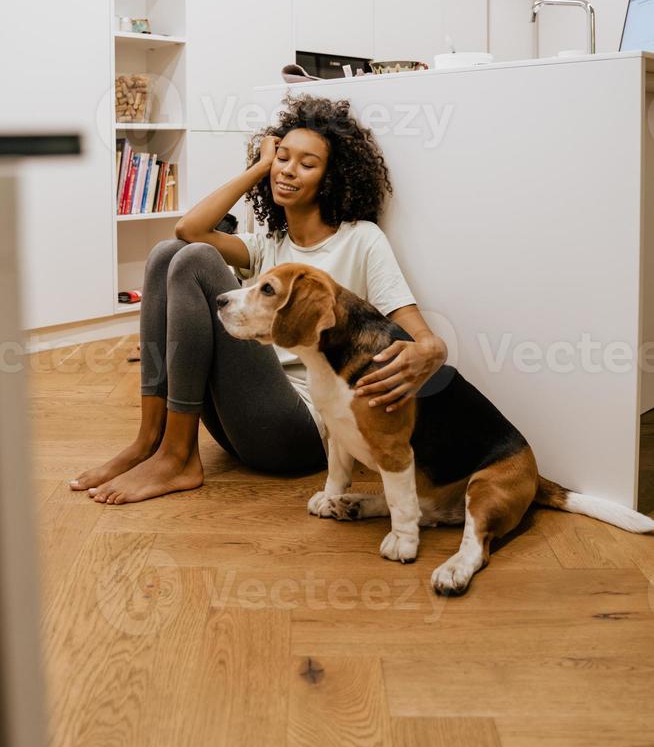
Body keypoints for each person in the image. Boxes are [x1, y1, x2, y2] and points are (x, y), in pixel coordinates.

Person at [70, 93, 447, 504]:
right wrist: (260, 167)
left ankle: (178, 457)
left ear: (331, 178)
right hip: (244, 419)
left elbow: (419, 333)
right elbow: (188, 228)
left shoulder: (361, 239)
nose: (288, 171)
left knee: (196, 260)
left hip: (296, 430)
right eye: (283, 157)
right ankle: (151, 440)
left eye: (307, 164)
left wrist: (432, 350)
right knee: (166, 253)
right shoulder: (270, 243)